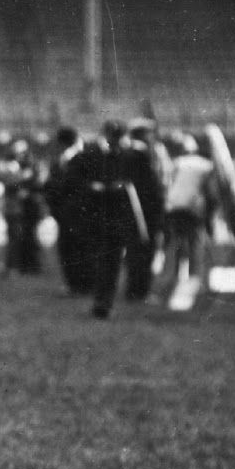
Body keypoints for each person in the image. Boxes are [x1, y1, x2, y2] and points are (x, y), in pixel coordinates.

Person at [73, 119, 144, 319]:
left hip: (115, 218)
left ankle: (103, 303)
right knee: (101, 262)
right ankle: (100, 301)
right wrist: (95, 188)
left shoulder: (129, 157)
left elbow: (134, 185)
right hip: (96, 216)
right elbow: (79, 183)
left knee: (111, 262)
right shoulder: (91, 155)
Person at [160, 134, 217, 300]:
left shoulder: (178, 162)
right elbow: (210, 193)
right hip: (191, 208)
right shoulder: (206, 166)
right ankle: (193, 280)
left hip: (174, 206)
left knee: (178, 242)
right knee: (194, 245)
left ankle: (174, 278)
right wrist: (209, 216)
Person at [43, 126, 92, 295]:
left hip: (72, 211)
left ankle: (78, 285)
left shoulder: (74, 158)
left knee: (73, 249)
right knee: (72, 248)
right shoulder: (70, 157)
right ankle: (78, 284)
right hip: (70, 211)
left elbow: (64, 185)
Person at [122, 119, 168, 302]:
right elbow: (148, 187)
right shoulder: (139, 155)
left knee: (136, 252)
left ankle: (135, 291)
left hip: (136, 212)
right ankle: (139, 292)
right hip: (143, 213)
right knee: (142, 253)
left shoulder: (131, 153)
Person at [0, 139, 44, 275]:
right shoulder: (19, 167)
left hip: (29, 206)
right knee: (22, 237)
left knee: (28, 236)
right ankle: (25, 266)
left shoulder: (30, 166)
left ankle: (31, 266)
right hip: (21, 206)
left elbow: (35, 185)